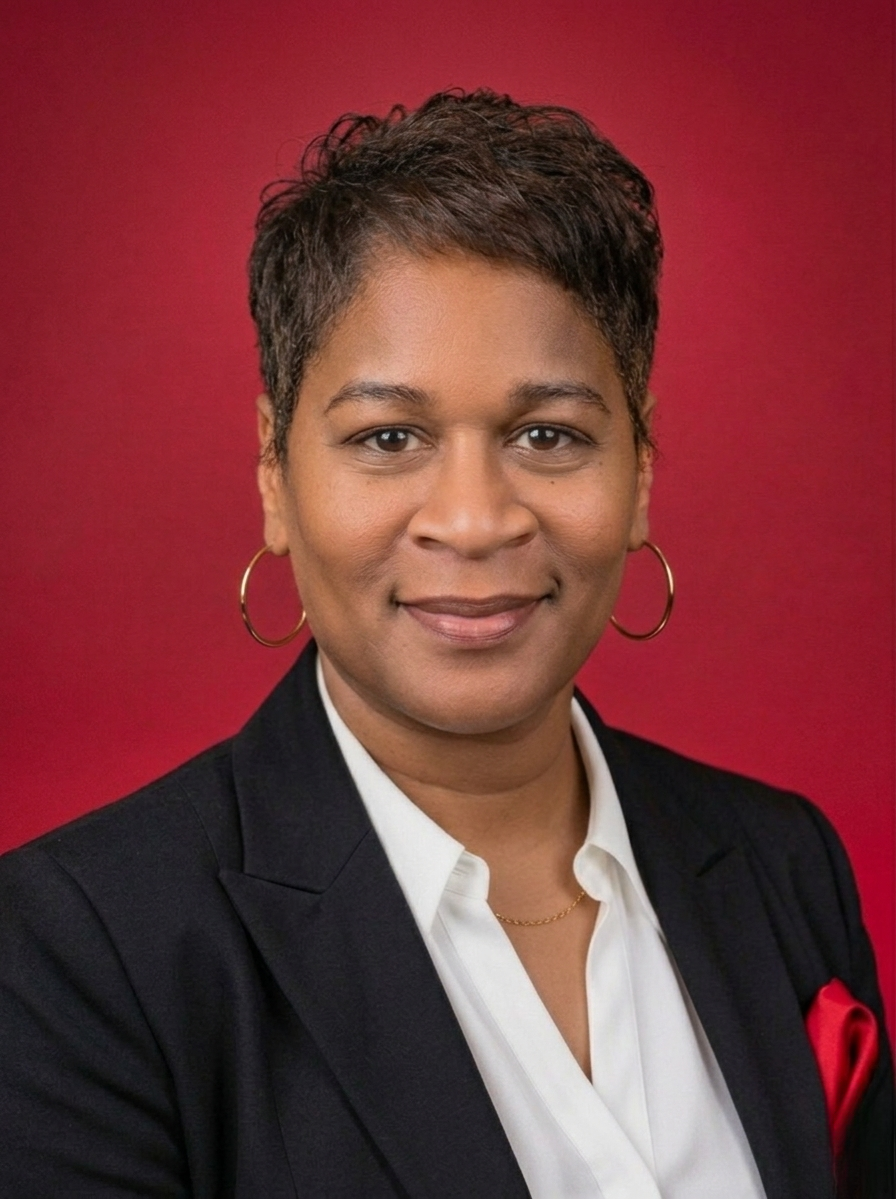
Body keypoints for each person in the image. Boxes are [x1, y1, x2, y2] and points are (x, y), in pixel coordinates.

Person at [0, 90, 891, 1199]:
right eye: (388, 436)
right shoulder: (79, 945)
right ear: (274, 471)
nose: (473, 521)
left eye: (548, 433)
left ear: (640, 470)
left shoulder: (779, 862)